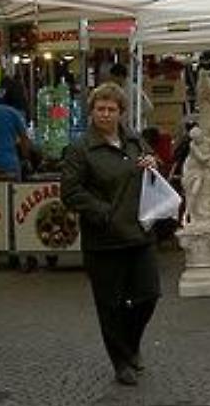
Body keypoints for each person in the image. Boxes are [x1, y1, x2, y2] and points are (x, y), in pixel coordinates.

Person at [61, 82, 161, 386]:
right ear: (91, 112)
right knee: (110, 305)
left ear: (121, 113)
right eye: (100, 109)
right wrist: (103, 212)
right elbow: (70, 192)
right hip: (104, 240)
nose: (105, 114)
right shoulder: (80, 149)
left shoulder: (134, 140)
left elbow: (153, 169)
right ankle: (121, 361)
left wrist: (153, 164)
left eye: (111, 109)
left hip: (139, 233)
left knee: (148, 296)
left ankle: (130, 345)